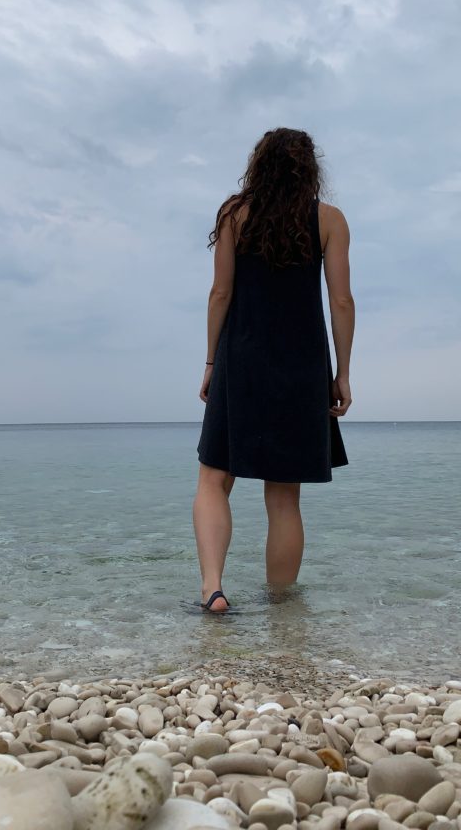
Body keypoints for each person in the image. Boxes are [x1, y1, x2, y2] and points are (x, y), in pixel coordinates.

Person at [194, 128, 354, 613]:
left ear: (258, 166)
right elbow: (341, 301)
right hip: (302, 366)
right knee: (284, 499)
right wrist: (342, 373)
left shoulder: (234, 214)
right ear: (310, 169)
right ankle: (282, 610)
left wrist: (209, 362)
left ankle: (213, 589)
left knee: (213, 480)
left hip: (241, 360)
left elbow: (220, 293)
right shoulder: (329, 220)